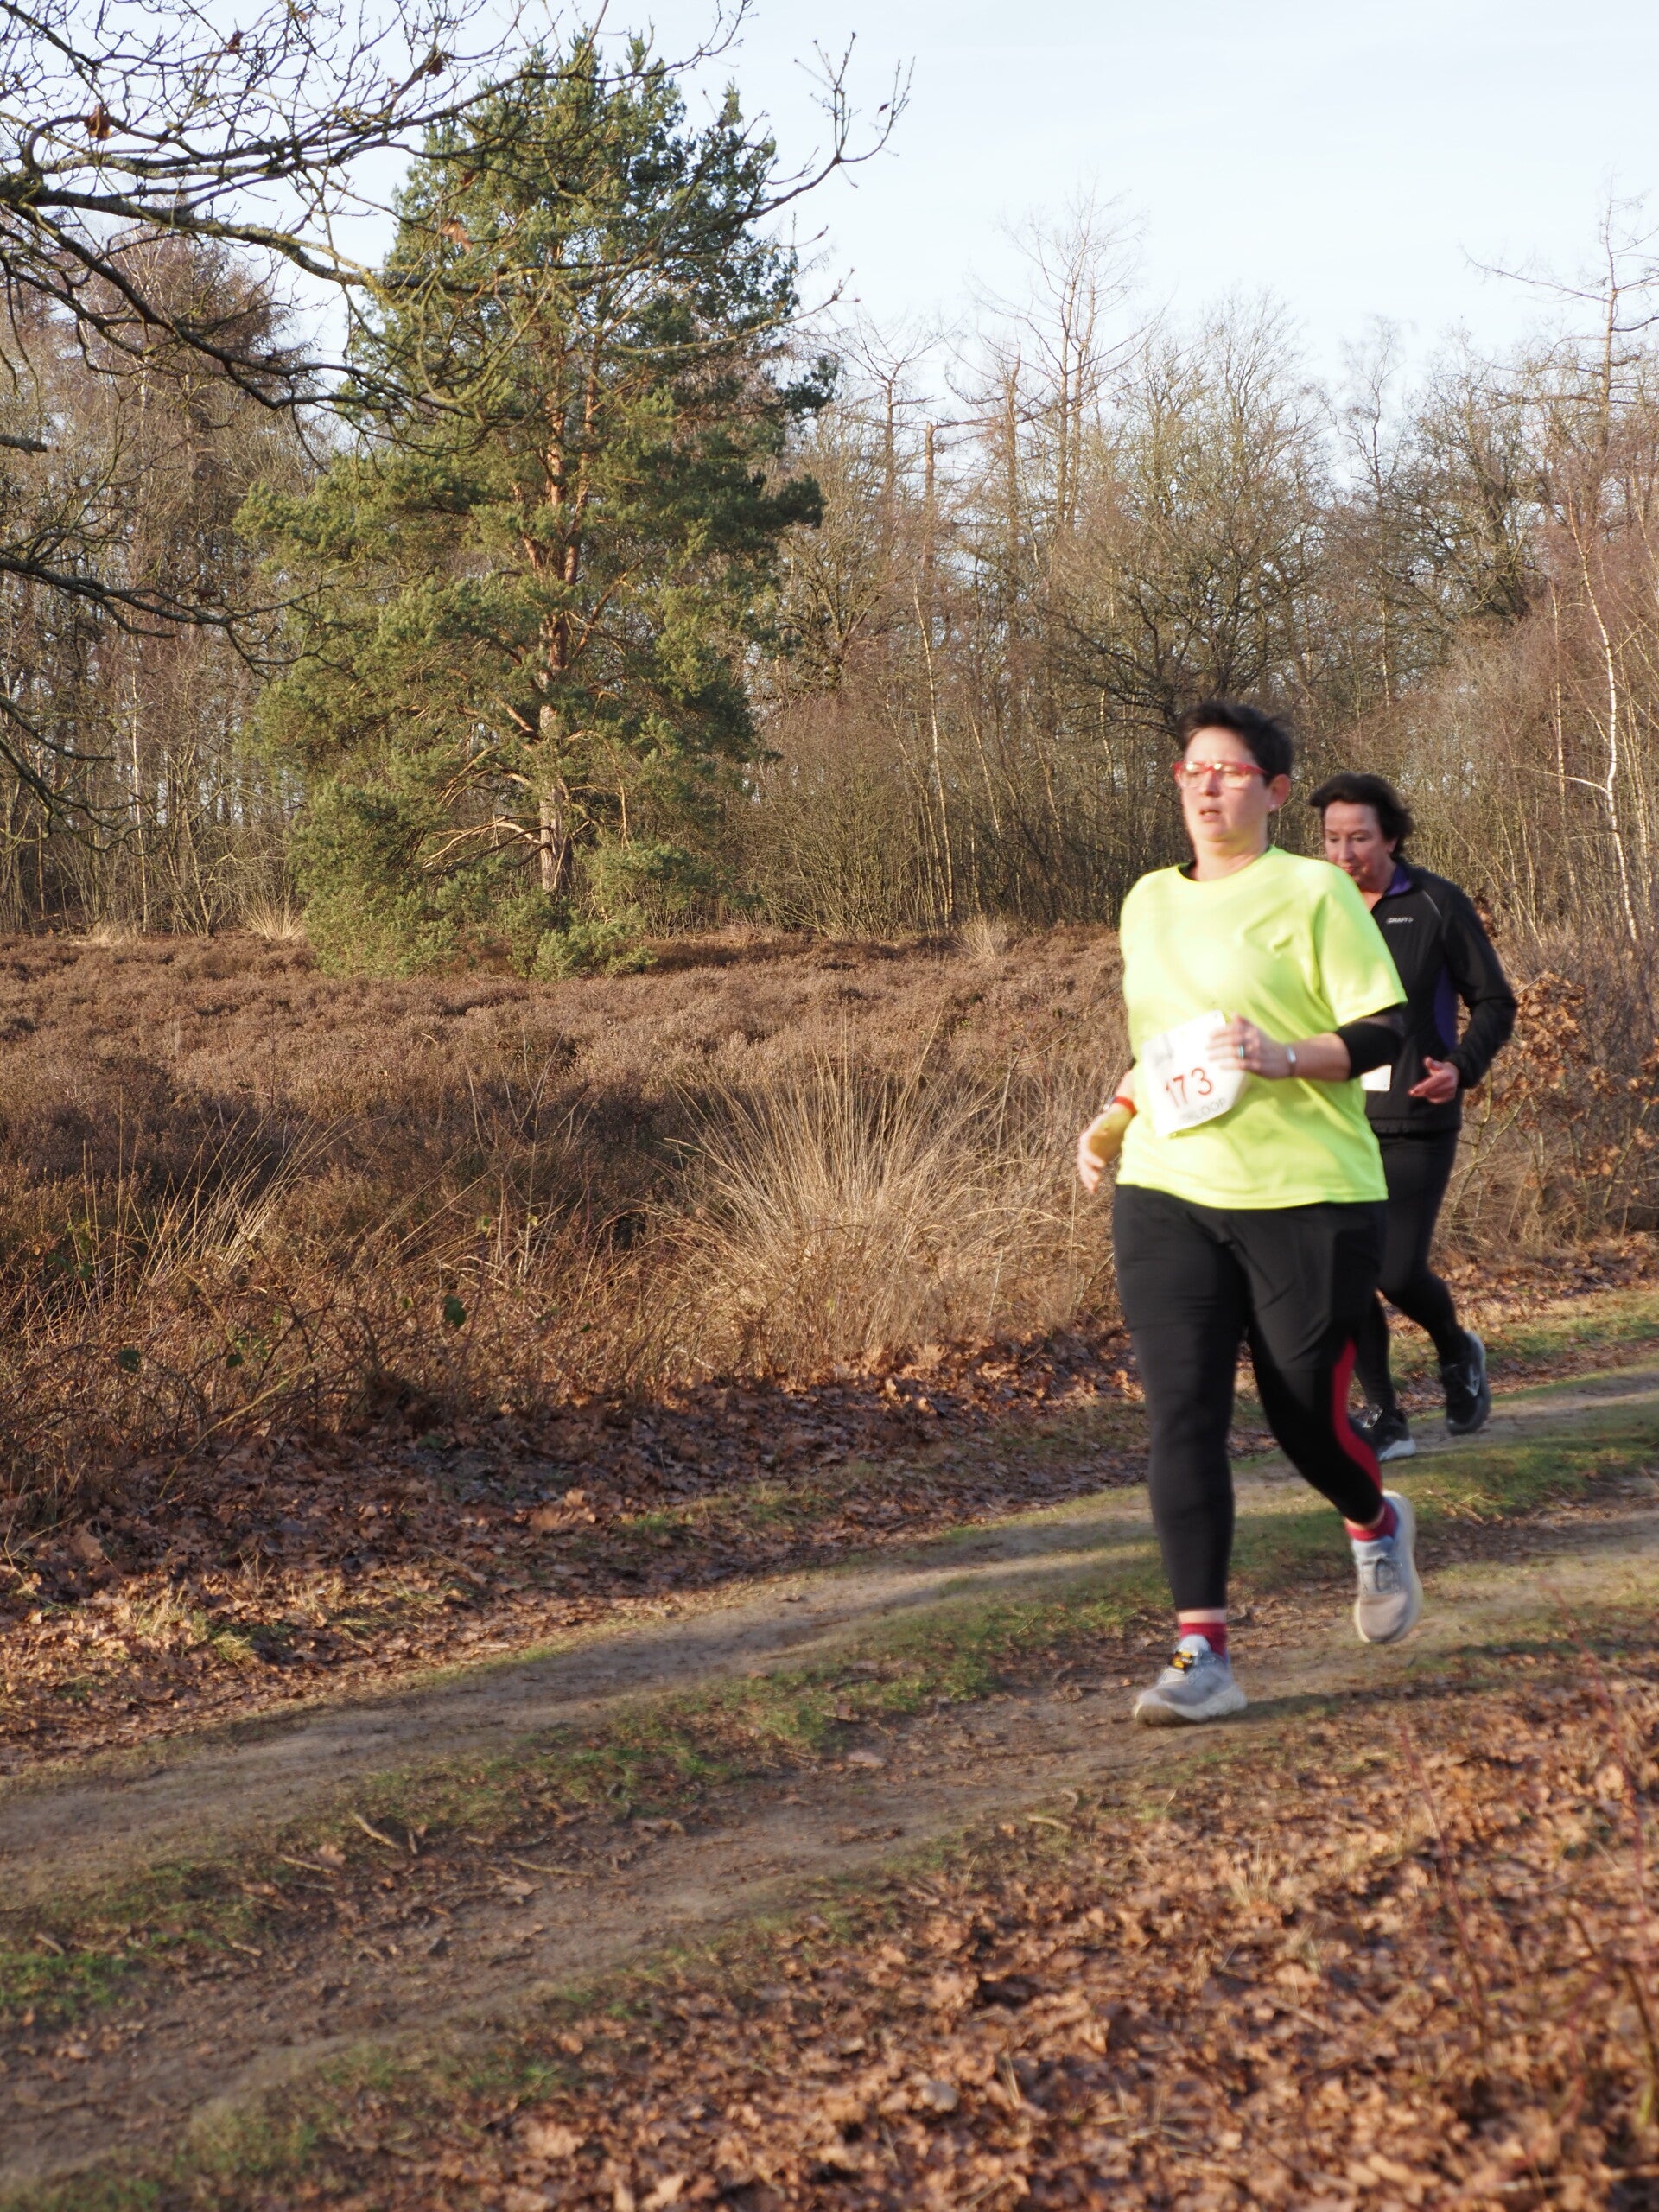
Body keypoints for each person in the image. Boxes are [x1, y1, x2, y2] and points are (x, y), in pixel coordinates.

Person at [1077, 699, 1418, 1728]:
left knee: (1304, 1417)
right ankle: (1203, 1654)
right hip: (1168, 1188)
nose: (1209, 785)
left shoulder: (1315, 890)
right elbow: (1163, 1043)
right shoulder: (1146, 901)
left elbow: (1384, 1029)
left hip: (1307, 1191)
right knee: (1182, 1412)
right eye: (1195, 768)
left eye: (1230, 770)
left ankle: (1373, 1519)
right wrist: (1114, 1117)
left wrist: (1285, 1056)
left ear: (1274, 791)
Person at [1313, 772, 1516, 1460]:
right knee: (1343, 1271)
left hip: (1417, 1118)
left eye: (1359, 838)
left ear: (1392, 837)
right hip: (1334, 1118)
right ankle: (1386, 1415)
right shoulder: (1314, 910)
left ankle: (1456, 1351)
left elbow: (1495, 1002)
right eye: (1332, 839)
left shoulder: (1435, 902)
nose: (1344, 854)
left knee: (1396, 1272)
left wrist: (1461, 1067)